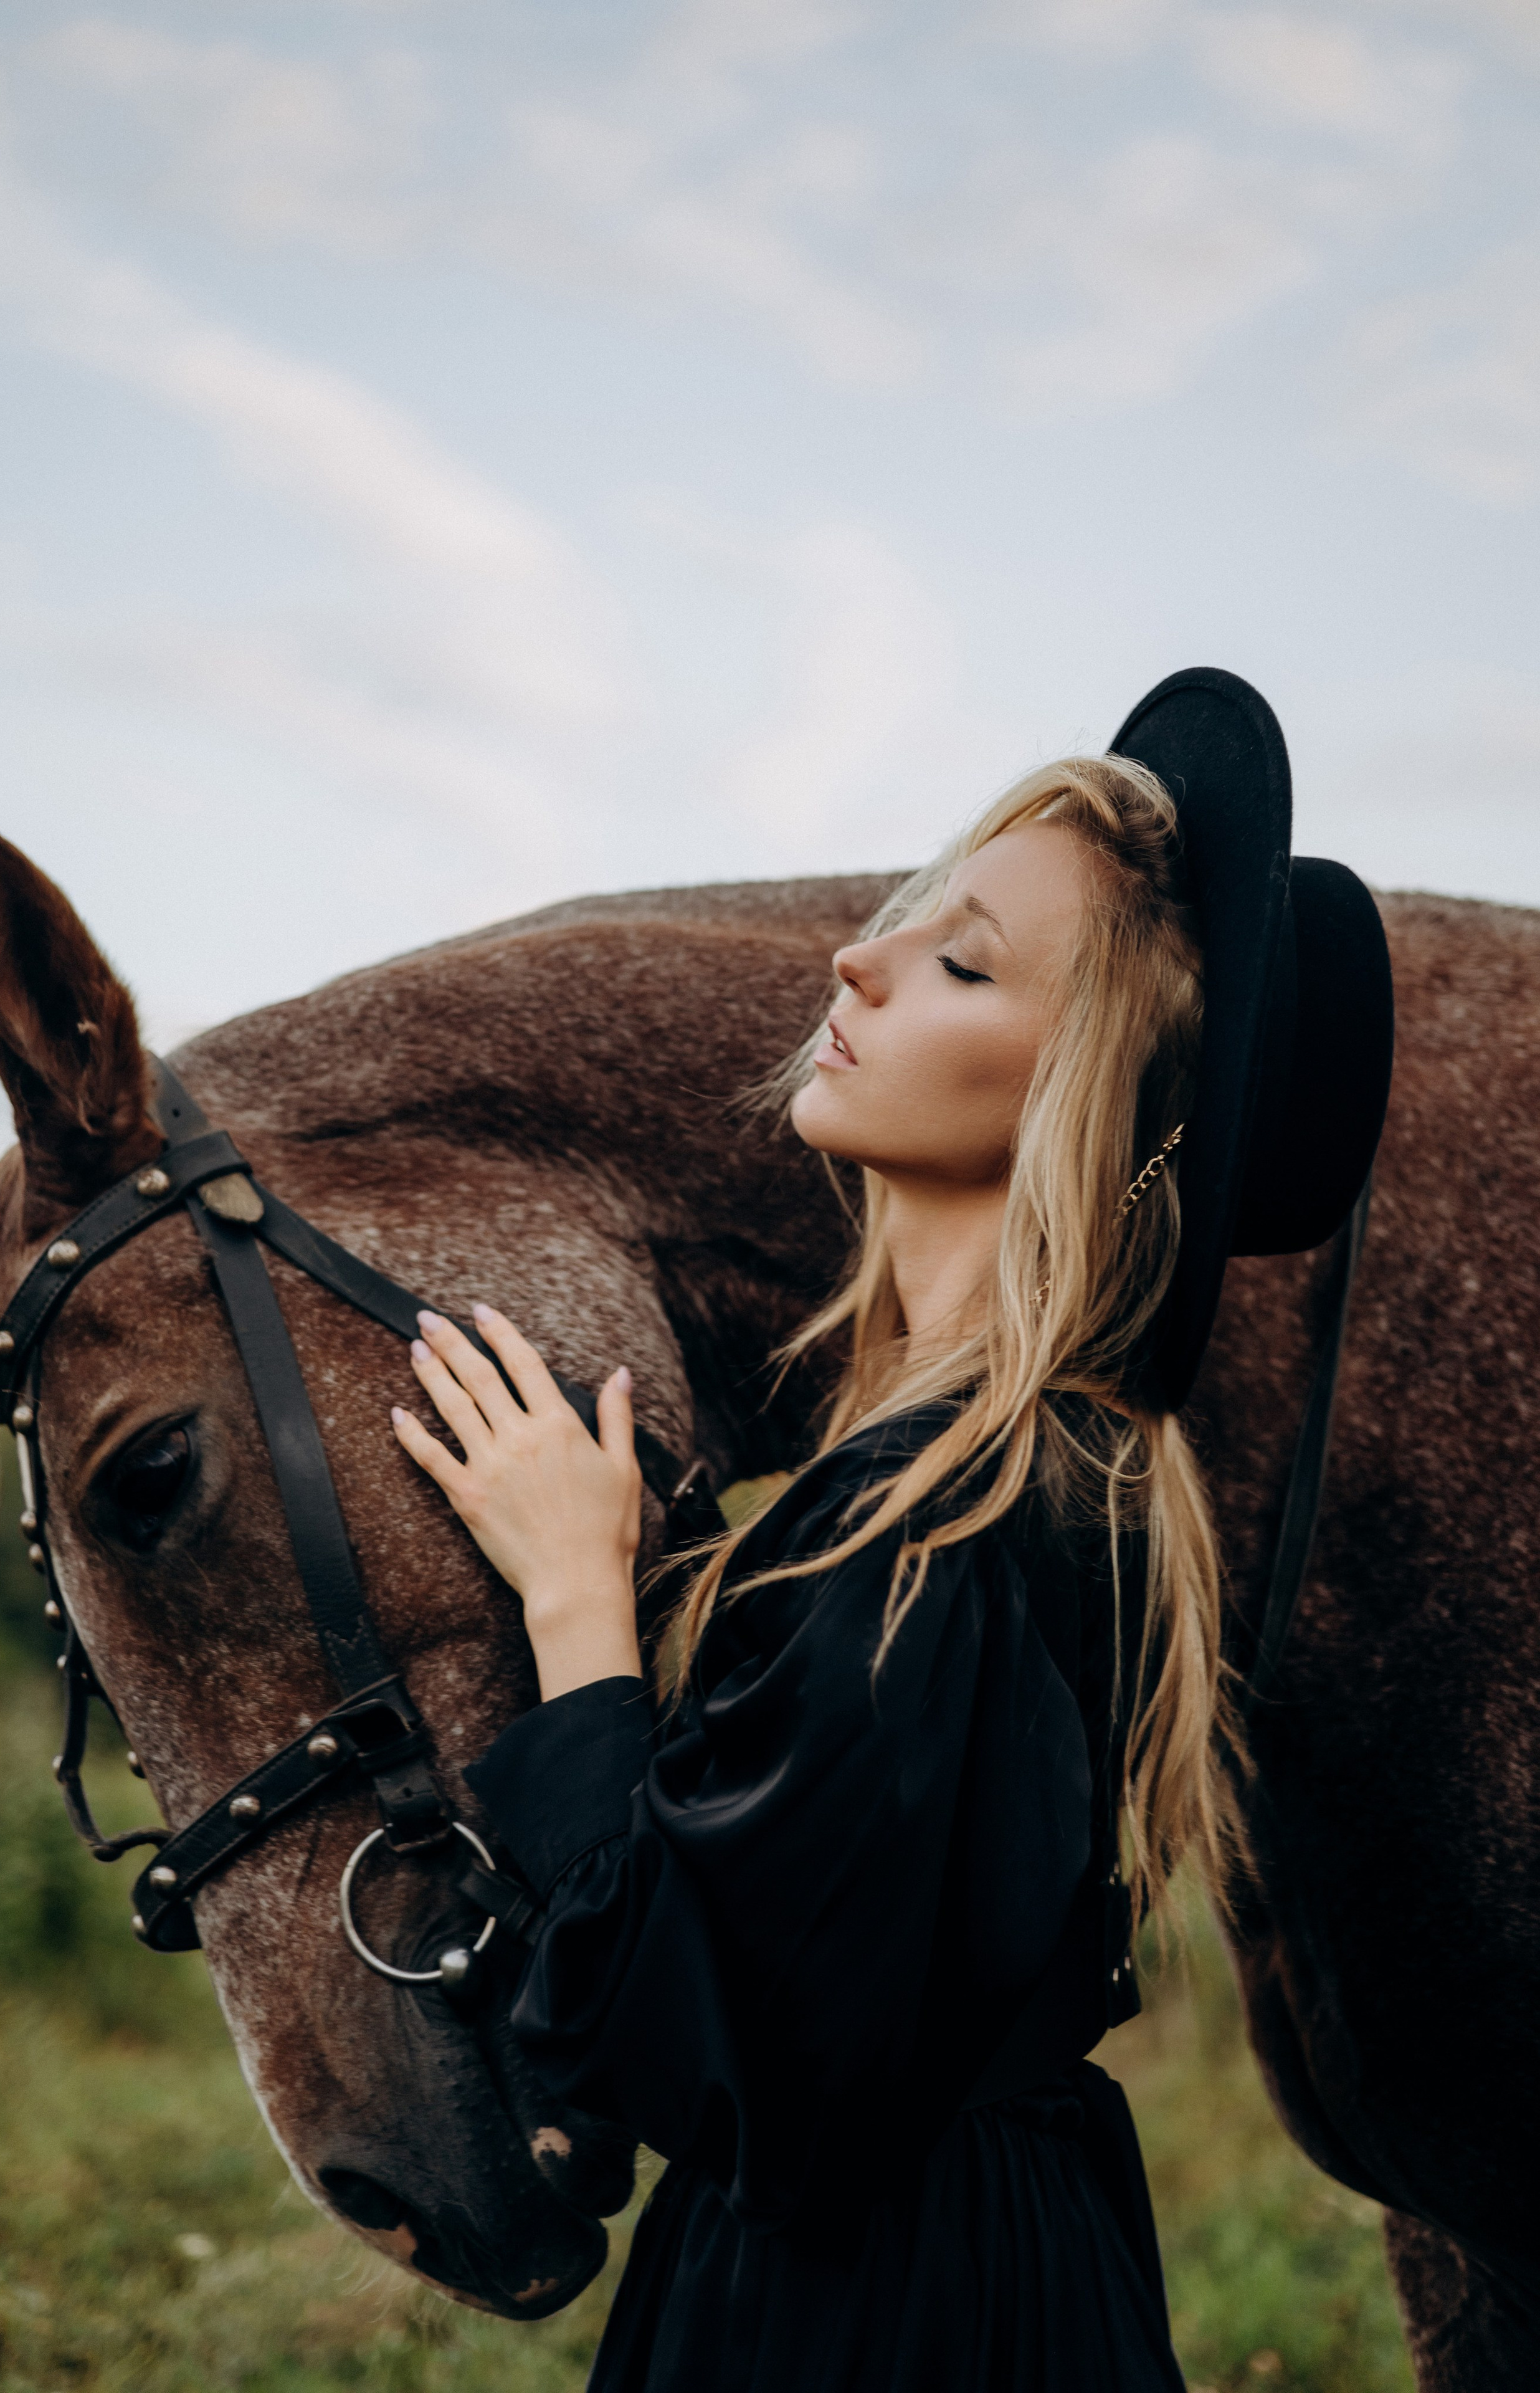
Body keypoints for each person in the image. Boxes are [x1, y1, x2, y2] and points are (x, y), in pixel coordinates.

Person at [387, 669, 1394, 2392]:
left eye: (964, 962)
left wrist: (574, 1602)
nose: (859, 960)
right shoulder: (1051, 1472)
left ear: (1078, 1096)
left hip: (859, 2314)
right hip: (1013, 2263)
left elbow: (711, 2060)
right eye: (911, 919)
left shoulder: (940, 1524)